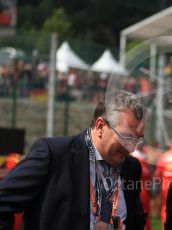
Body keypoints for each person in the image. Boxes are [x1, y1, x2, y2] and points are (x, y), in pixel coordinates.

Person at [0, 90, 147, 230]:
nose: (132, 148)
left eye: (138, 139)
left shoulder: (131, 167)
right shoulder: (53, 155)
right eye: (127, 137)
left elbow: (135, 220)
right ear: (100, 126)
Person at [131, 144, 152, 230]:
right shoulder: (137, 160)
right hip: (140, 190)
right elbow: (146, 174)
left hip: (142, 189)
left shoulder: (140, 159)